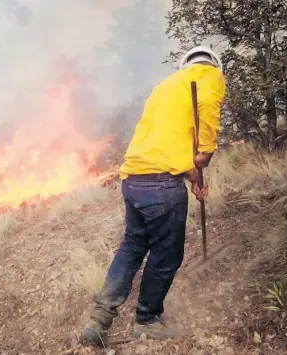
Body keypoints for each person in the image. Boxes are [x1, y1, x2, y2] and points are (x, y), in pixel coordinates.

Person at [80, 46, 226, 347]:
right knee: (167, 253)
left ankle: (100, 318)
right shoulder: (209, 77)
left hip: (133, 178)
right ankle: (147, 319)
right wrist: (205, 154)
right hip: (161, 186)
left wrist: (193, 177)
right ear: (212, 64)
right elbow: (207, 120)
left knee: (133, 244)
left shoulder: (165, 87)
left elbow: (164, 144)